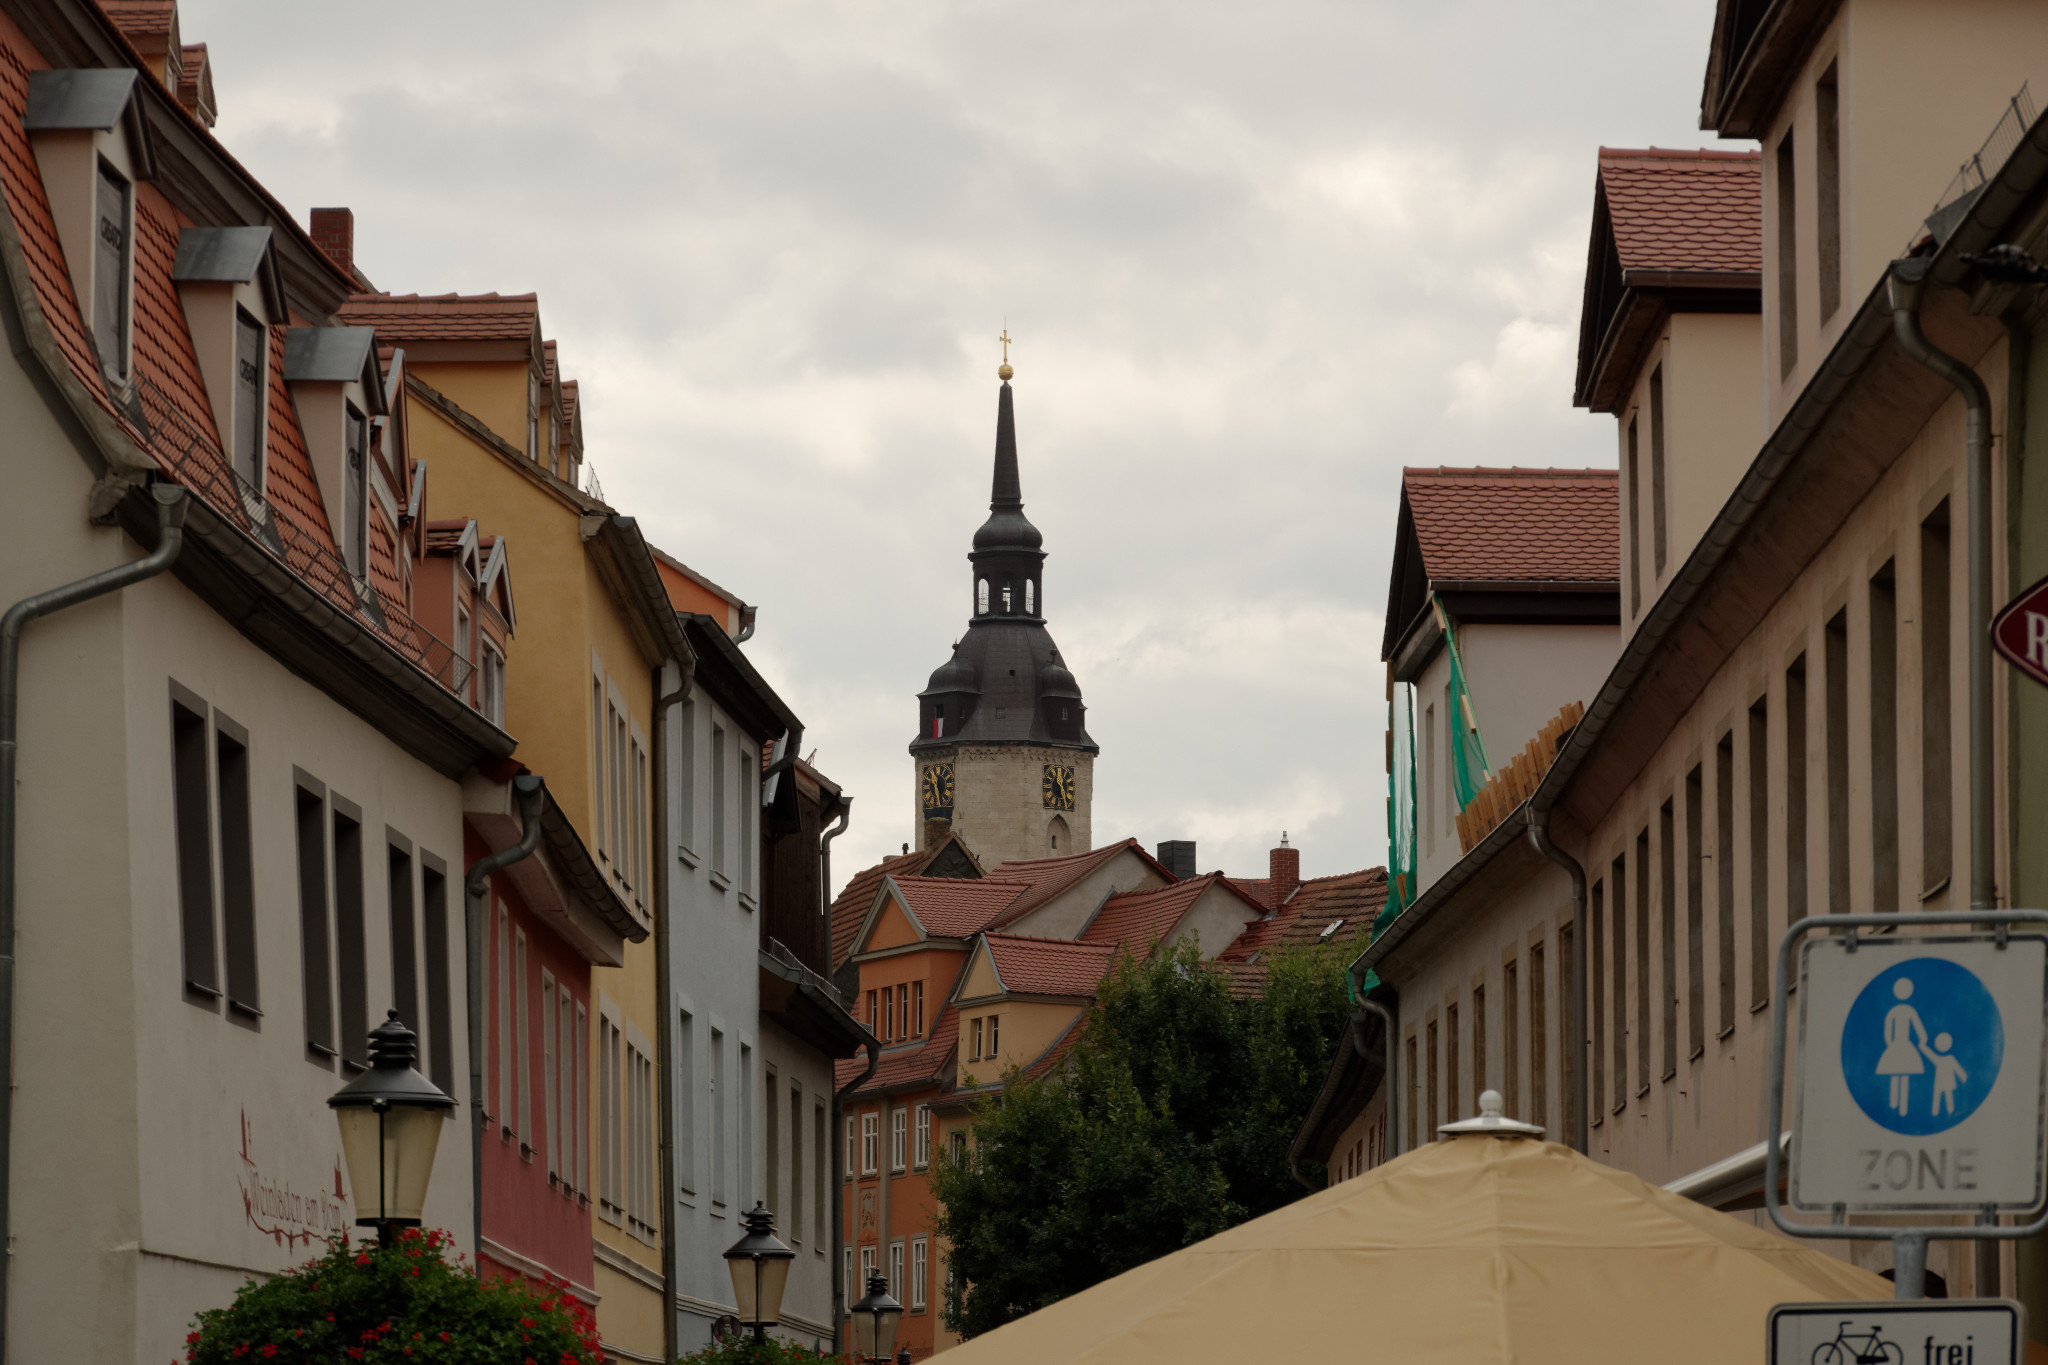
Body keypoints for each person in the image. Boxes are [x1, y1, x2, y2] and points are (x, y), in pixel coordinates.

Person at [1876, 977, 1930, 1116]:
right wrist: (1922, 1039)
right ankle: (1896, 1105)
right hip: (1901, 1045)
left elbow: (1890, 1030)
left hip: (1899, 1045)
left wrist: (1890, 1043)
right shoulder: (1901, 1011)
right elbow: (1889, 1029)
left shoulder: (1901, 1011)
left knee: (1901, 1073)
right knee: (1898, 1073)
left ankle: (1900, 1106)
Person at [1925, 1032, 1966, 1118]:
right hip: (1942, 1081)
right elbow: (1929, 1054)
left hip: (1946, 1081)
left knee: (1947, 1096)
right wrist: (1923, 1047)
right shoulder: (1940, 1059)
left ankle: (1948, 1111)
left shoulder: (1948, 1059)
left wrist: (1963, 1076)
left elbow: (1957, 1068)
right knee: (1940, 1096)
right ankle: (1935, 1112)